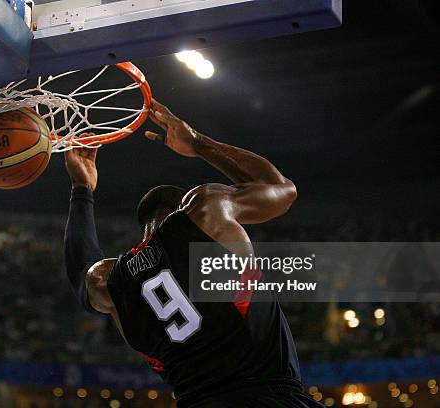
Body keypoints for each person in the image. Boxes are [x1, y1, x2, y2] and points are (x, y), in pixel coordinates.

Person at [63, 99, 322, 407]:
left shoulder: (111, 280)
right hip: (271, 398)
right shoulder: (206, 212)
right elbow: (280, 188)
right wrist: (198, 143)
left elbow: (82, 272)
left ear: (143, 228)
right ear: (179, 207)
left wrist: (82, 189)